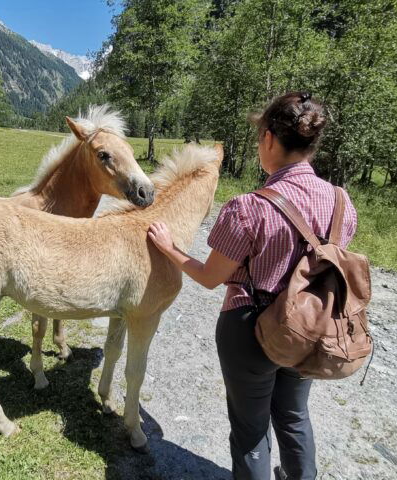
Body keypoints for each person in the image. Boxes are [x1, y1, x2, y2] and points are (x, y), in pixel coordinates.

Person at [147, 91, 358, 480]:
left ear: (269, 139)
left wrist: (170, 248)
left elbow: (211, 278)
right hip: (311, 326)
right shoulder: (343, 204)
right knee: (294, 416)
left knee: (250, 432)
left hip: (250, 329)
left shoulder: (249, 207)